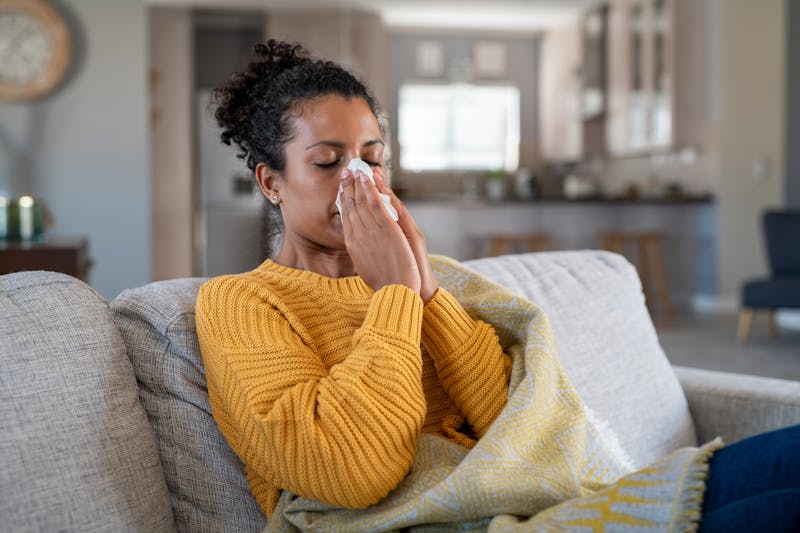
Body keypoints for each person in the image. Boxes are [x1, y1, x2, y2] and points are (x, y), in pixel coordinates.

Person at [195, 40, 800, 532]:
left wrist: (426, 289)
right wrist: (397, 298)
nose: (359, 179)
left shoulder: (436, 282)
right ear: (272, 182)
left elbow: (517, 426)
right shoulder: (242, 304)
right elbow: (352, 472)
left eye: (373, 159)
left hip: (540, 501)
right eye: (328, 163)